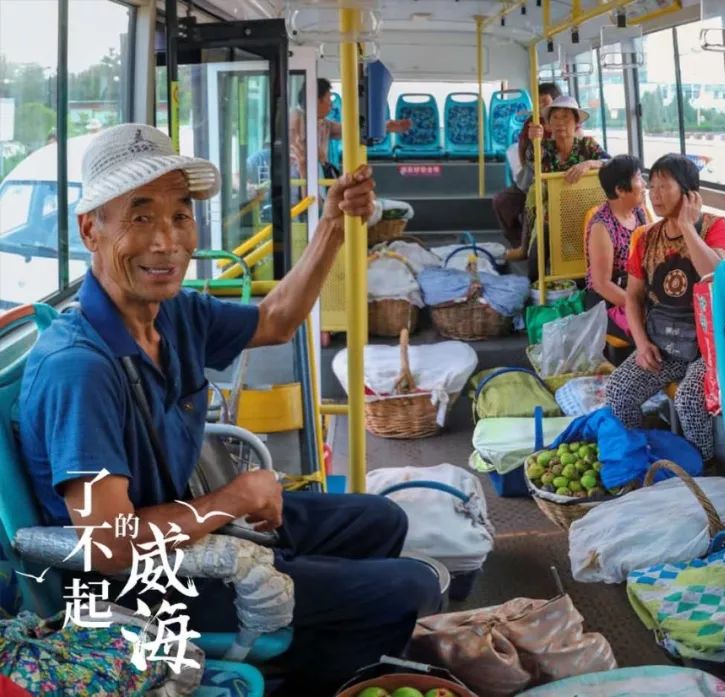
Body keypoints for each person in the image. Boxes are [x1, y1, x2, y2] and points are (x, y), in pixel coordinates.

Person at [17, 123, 441, 696]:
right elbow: (110, 544)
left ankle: (312, 654)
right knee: (408, 587)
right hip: (144, 588)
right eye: (140, 217)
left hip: (192, 523)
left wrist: (333, 227)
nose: (167, 241)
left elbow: (275, 320)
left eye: (181, 215)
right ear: (92, 229)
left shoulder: (173, 314)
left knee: (382, 520)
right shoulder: (81, 367)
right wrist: (234, 499)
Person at [605, 154, 725, 461]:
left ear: (690, 194)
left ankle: (702, 469)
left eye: (665, 186)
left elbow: (713, 276)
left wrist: (687, 226)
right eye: (652, 186)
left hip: (709, 346)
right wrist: (642, 343)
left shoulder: (715, 226)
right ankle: (639, 459)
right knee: (618, 393)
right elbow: (633, 297)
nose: (655, 194)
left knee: (689, 399)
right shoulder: (646, 237)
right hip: (666, 342)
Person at [521, 95, 610, 281]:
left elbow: (610, 162)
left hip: (584, 207)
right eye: (556, 118)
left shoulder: (587, 145)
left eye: (566, 117)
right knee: (542, 234)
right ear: (548, 124)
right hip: (552, 211)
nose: (561, 123)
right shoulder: (544, 147)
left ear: (576, 123)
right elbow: (531, 159)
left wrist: (588, 164)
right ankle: (536, 279)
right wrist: (533, 141)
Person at [585, 154, 648, 342]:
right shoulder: (602, 226)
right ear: (620, 190)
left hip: (634, 290)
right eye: (638, 178)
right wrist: (639, 305)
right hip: (608, 301)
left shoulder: (638, 212)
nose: (644, 184)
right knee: (653, 327)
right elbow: (602, 284)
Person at [492, 82, 562, 250]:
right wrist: (526, 169)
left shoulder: (565, 122)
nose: (540, 107)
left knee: (536, 206)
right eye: (537, 102)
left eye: (545, 102)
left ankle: (532, 247)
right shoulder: (532, 122)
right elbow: (523, 150)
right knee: (501, 202)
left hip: (556, 181)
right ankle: (518, 243)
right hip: (532, 177)